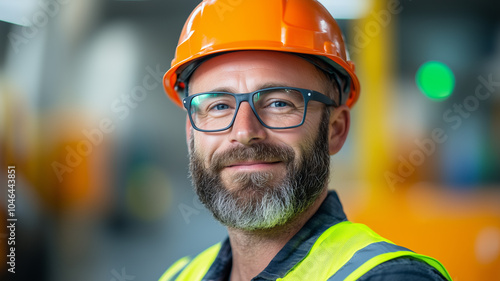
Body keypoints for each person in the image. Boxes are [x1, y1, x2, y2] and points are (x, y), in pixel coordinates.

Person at [159, 0, 452, 280]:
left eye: (279, 103)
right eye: (219, 106)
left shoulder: (391, 277)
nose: (244, 132)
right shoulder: (179, 276)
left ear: (335, 130)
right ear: (190, 133)